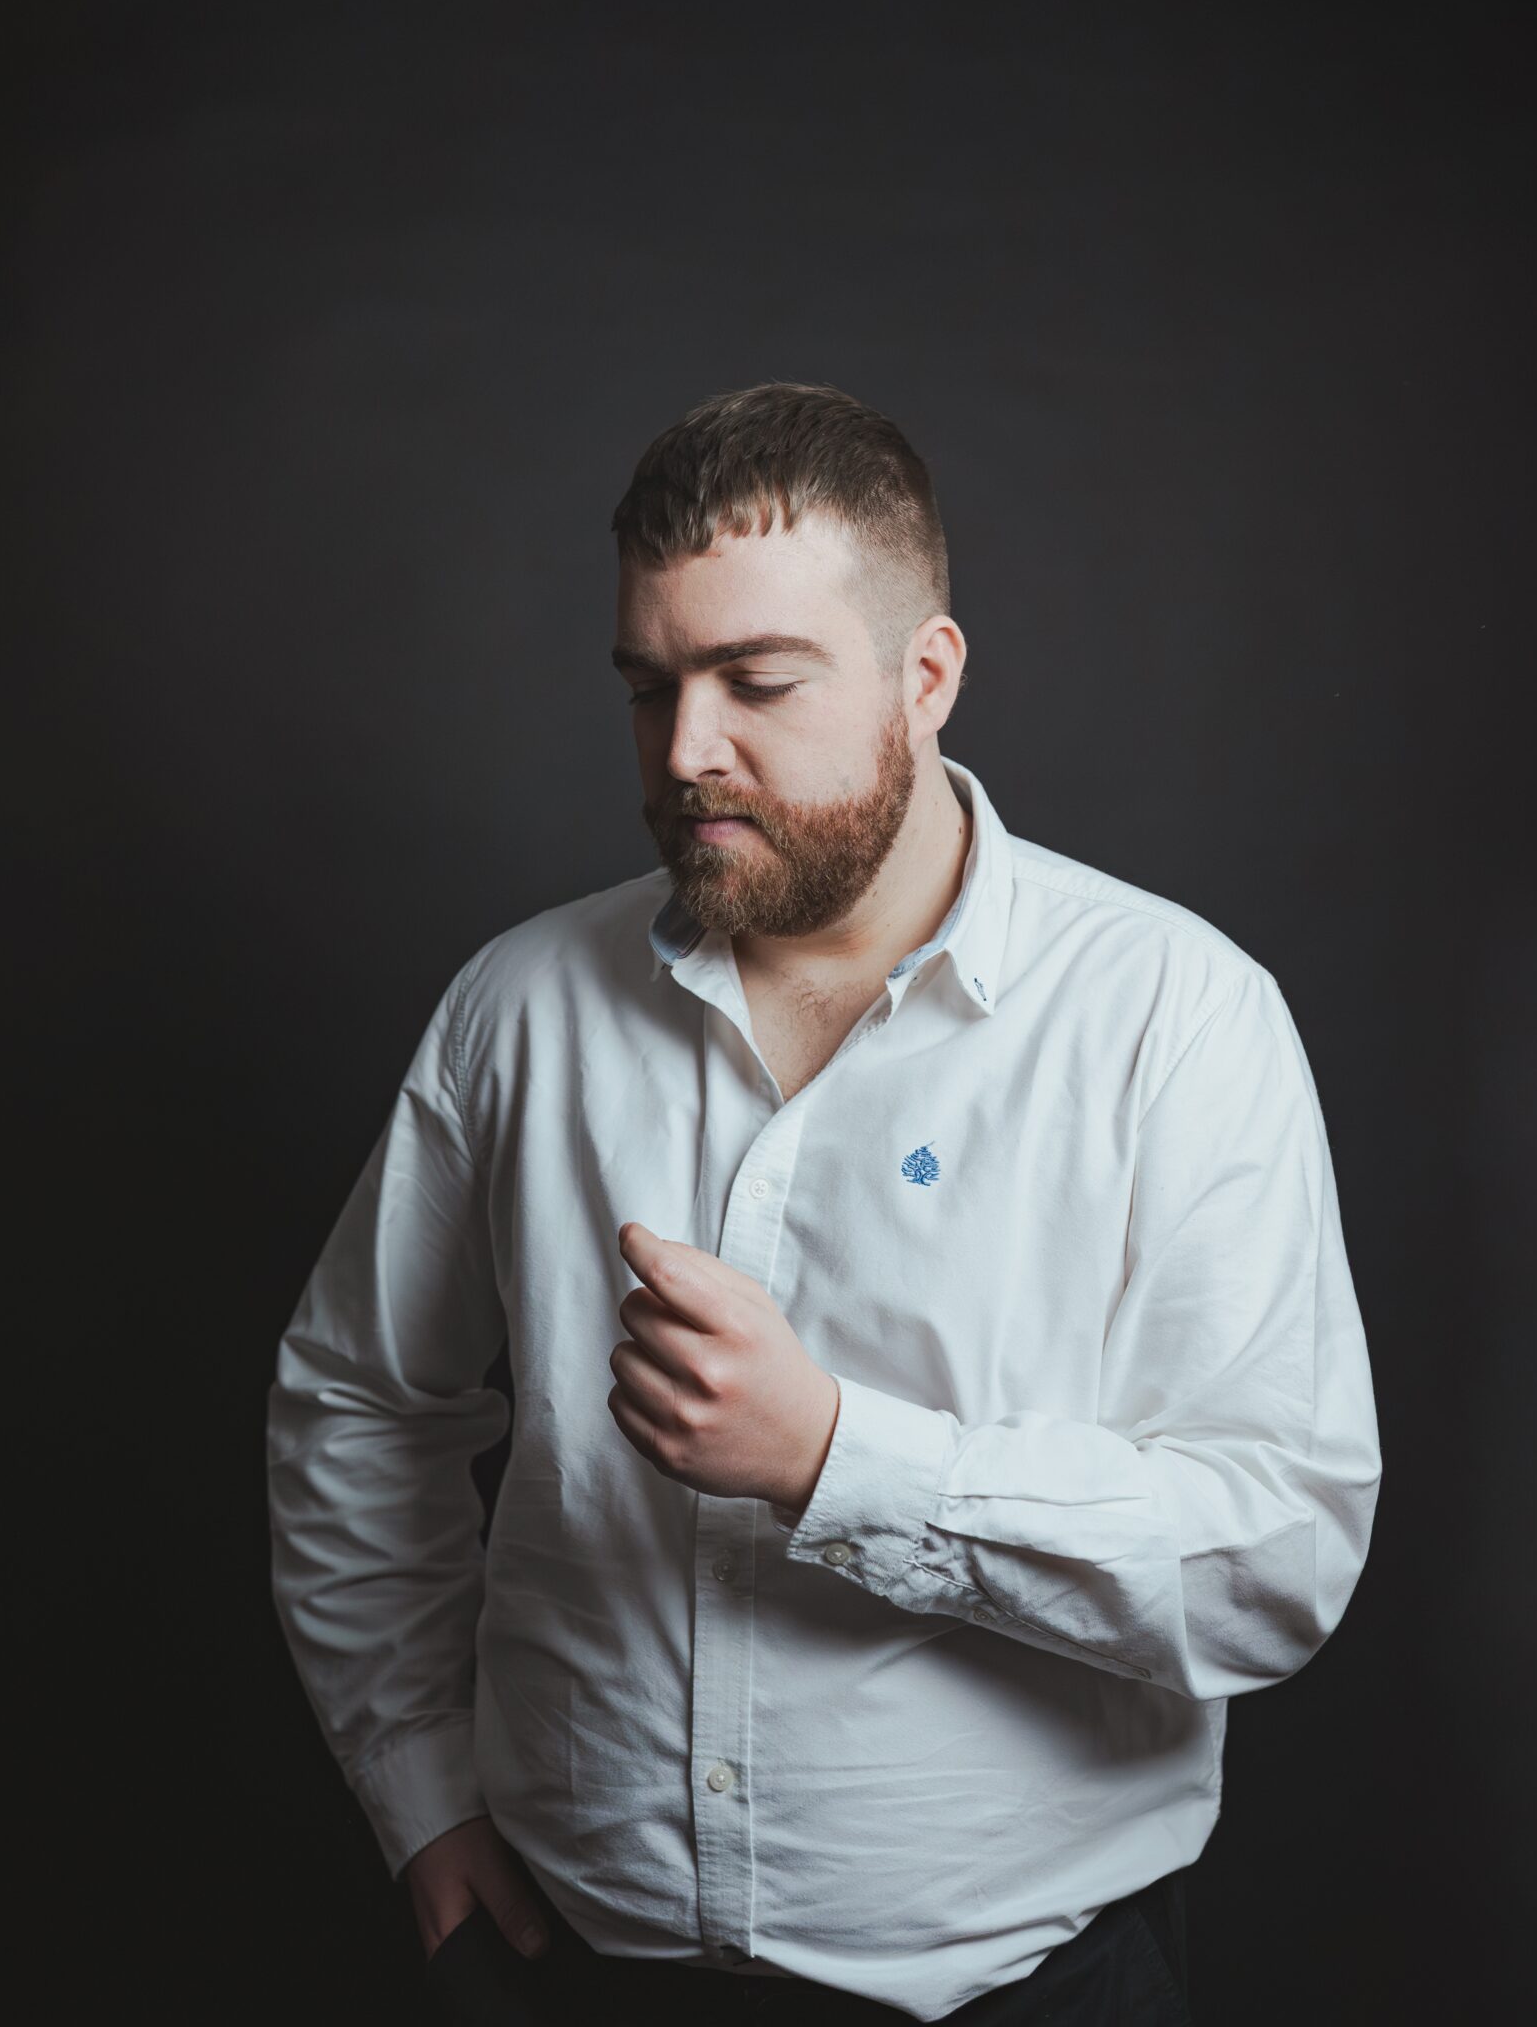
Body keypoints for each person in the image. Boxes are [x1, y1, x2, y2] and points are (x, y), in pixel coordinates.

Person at [267, 379, 1382, 2025]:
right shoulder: (519, 1009)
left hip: (1031, 1989)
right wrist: (419, 1787)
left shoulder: (1175, 1017)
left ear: (925, 676)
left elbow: (1276, 1548)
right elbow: (361, 1406)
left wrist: (838, 1461)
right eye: (649, 686)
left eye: (757, 683)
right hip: (571, 1972)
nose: (686, 751)